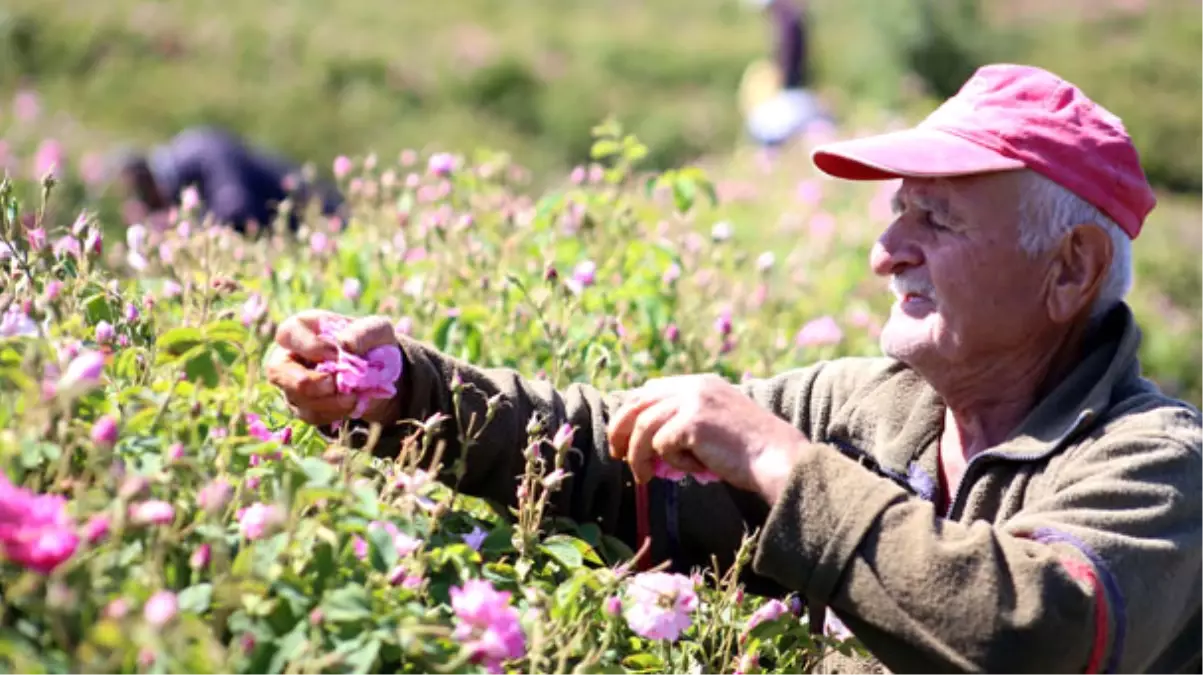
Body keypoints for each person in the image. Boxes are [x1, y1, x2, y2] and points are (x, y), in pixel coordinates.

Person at [266, 64, 1203, 674]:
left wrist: (778, 464)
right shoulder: (869, 404)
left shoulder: (1156, 461)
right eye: (896, 213)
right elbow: (598, 446)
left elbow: (1037, 636)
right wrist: (400, 389)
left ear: (1070, 267)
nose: (886, 252)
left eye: (937, 220)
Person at [113, 126, 345, 235]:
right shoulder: (182, 172)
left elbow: (236, 207)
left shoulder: (199, 150)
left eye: (142, 196)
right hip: (301, 234)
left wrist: (179, 227)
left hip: (325, 219)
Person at [739, 0, 832, 147]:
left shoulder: (787, 21)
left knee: (759, 130)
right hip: (797, 98)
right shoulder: (791, 19)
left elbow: (790, 67)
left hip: (791, 100)